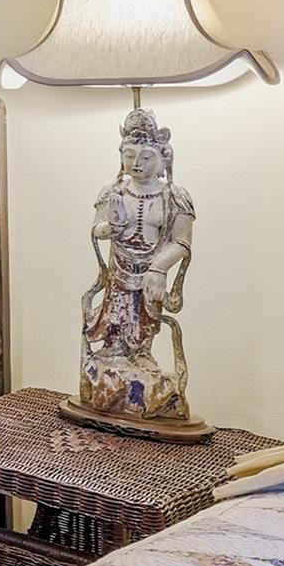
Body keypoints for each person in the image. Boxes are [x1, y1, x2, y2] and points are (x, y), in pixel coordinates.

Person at [78, 106, 194, 421]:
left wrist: (159, 268)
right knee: (115, 318)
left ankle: (141, 354)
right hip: (120, 271)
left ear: (164, 157)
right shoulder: (114, 192)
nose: (136, 163)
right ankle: (114, 353)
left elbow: (181, 242)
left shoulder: (175, 197)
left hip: (150, 274)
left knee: (145, 321)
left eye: (144, 157)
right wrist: (112, 226)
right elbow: (98, 229)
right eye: (129, 155)